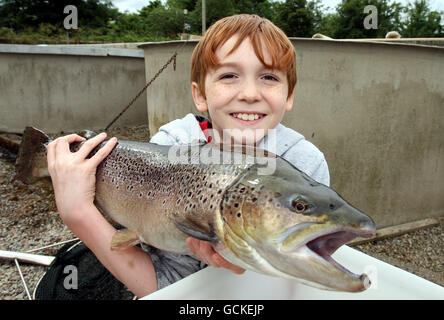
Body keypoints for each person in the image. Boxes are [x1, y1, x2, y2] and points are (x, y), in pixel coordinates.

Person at [46, 14, 329, 298]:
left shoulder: (305, 165)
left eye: (268, 77)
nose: (250, 93)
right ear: (200, 94)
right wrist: (78, 213)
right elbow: (162, 286)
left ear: (289, 94)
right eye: (229, 76)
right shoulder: (170, 149)